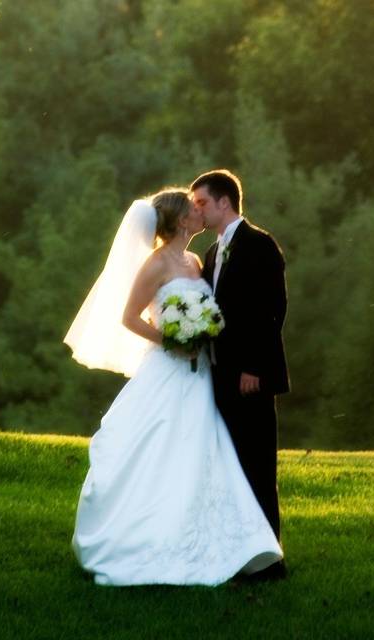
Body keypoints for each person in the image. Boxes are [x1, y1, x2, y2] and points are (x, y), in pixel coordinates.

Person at [64, 188, 282, 586]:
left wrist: (202, 333)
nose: (199, 213)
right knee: (160, 449)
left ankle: (216, 539)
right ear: (181, 221)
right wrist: (171, 340)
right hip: (168, 369)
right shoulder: (155, 264)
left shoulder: (197, 260)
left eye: (202, 205)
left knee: (201, 453)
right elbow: (129, 317)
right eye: (193, 208)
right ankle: (146, 537)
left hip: (199, 377)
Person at [192, 169, 290, 580]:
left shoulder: (259, 244)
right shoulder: (213, 254)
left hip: (249, 376)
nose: (195, 211)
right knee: (230, 466)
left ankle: (269, 560)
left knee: (257, 464)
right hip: (218, 376)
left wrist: (255, 367)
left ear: (224, 202)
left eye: (201, 203)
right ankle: (238, 553)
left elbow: (272, 310)